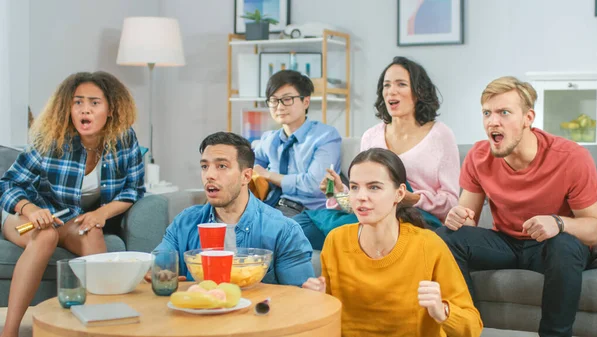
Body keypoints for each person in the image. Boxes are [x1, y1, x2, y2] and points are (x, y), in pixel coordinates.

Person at [436, 76, 597, 337]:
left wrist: (558, 223)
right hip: (507, 243)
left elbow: (596, 230)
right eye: (487, 113)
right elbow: (467, 221)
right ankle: (466, 327)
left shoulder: (571, 158)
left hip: (552, 246)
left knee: (564, 244)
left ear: (528, 118)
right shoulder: (478, 157)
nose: (493, 121)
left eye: (504, 112)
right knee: (445, 237)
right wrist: (456, 216)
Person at [0, 71, 145, 337]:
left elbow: (133, 189)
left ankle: (104, 327)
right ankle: (9, 332)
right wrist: (31, 210)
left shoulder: (124, 140)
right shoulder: (52, 139)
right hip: (25, 217)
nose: (84, 110)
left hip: (69, 219)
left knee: (92, 231)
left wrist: (102, 212)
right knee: (44, 236)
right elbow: (8, 184)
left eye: (94, 103)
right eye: (78, 102)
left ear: (111, 109)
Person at [302, 148, 482, 337]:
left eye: (374, 187)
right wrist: (320, 301)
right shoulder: (336, 241)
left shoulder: (429, 245)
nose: (361, 196)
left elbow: (472, 326)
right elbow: (330, 322)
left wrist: (442, 311)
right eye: (354, 187)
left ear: (399, 193)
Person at [294, 56, 460, 249]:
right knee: (298, 227)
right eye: (386, 85)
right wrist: (339, 191)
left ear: (419, 92)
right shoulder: (371, 136)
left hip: (417, 217)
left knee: (368, 232)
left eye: (401, 84)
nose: (391, 91)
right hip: (371, 212)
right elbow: (363, 193)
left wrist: (412, 198)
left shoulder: (440, 135)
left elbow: (450, 202)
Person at [152, 132, 314, 286]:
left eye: (221, 166)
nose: (210, 175)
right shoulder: (184, 222)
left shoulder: (283, 230)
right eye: (204, 166)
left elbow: (299, 296)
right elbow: (160, 262)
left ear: (246, 176)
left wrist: (312, 290)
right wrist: (156, 271)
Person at [253, 70, 342, 217]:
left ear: (305, 101)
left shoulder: (325, 136)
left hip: (308, 213)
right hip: (271, 206)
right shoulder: (270, 139)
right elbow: (250, 161)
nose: (279, 107)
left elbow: (314, 185)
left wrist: (269, 175)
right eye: (273, 100)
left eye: (287, 99)